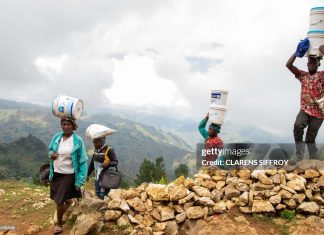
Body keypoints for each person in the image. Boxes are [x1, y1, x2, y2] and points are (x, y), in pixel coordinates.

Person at [48, 117, 88, 234]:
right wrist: (51, 155)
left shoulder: (77, 140)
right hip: (55, 173)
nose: (65, 126)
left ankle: (59, 224)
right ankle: (70, 202)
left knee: (59, 201)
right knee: (58, 197)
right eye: (63, 124)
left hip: (69, 174)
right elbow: (50, 150)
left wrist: (79, 181)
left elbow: (83, 161)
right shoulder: (57, 137)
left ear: (73, 126)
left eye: (68, 125)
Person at [286, 46, 324, 160]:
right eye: (309, 63)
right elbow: (289, 65)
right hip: (305, 109)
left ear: (318, 64)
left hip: (319, 112)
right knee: (298, 126)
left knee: (310, 139)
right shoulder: (303, 75)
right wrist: (296, 53)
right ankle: (299, 155)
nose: (311, 64)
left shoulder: (322, 76)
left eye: (314, 62)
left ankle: (314, 161)